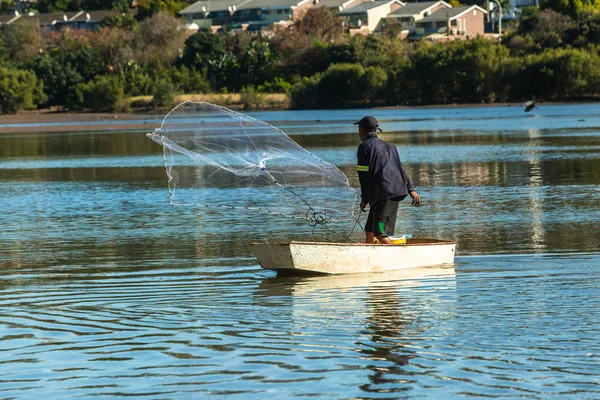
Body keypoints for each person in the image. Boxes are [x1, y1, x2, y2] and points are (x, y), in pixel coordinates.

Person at [355, 116, 420, 244]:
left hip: (384, 196)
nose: (358, 131)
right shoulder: (391, 147)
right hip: (390, 193)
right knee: (370, 230)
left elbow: (363, 176)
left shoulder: (364, 147)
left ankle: (394, 258)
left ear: (363, 129)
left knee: (380, 232)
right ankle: (370, 258)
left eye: (358, 128)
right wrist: (411, 189)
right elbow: (401, 169)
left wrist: (364, 199)